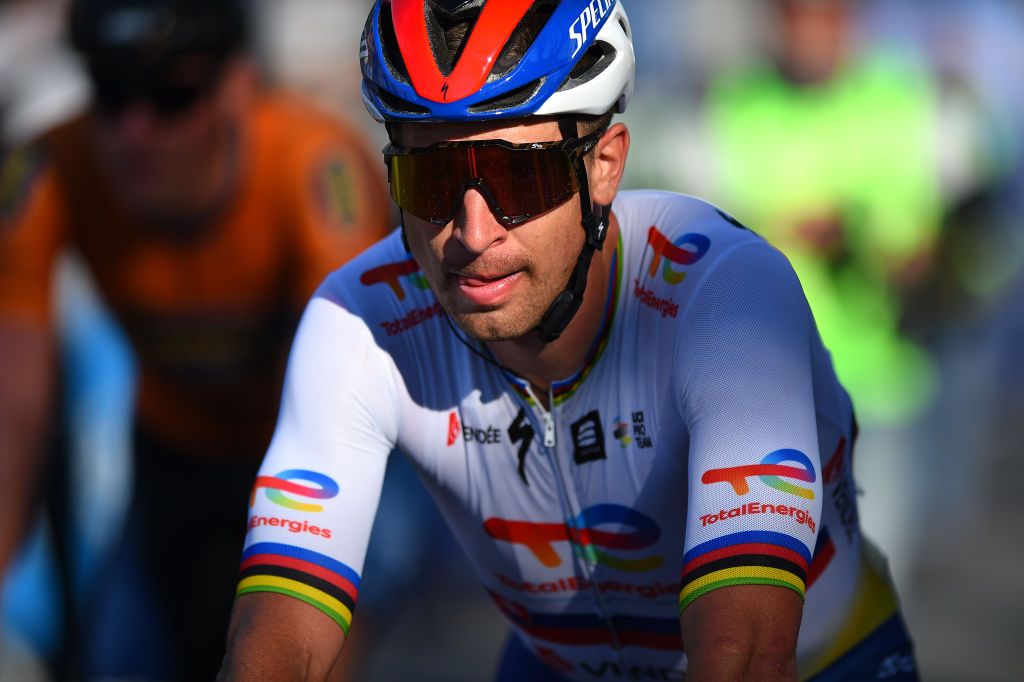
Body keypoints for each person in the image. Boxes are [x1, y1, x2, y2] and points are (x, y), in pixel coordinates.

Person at [220, 1, 917, 680]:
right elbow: (278, 631)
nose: (473, 232)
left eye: (516, 176)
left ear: (606, 164)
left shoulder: (724, 292)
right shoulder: (357, 317)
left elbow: (747, 655)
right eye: (431, 178)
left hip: (825, 660)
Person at [0, 0, 391, 677]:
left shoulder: (317, 172)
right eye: (111, 95)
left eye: (171, 97)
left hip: (317, 452)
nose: (135, 131)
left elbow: (331, 445)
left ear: (237, 90)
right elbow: (12, 415)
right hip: (171, 453)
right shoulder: (44, 171)